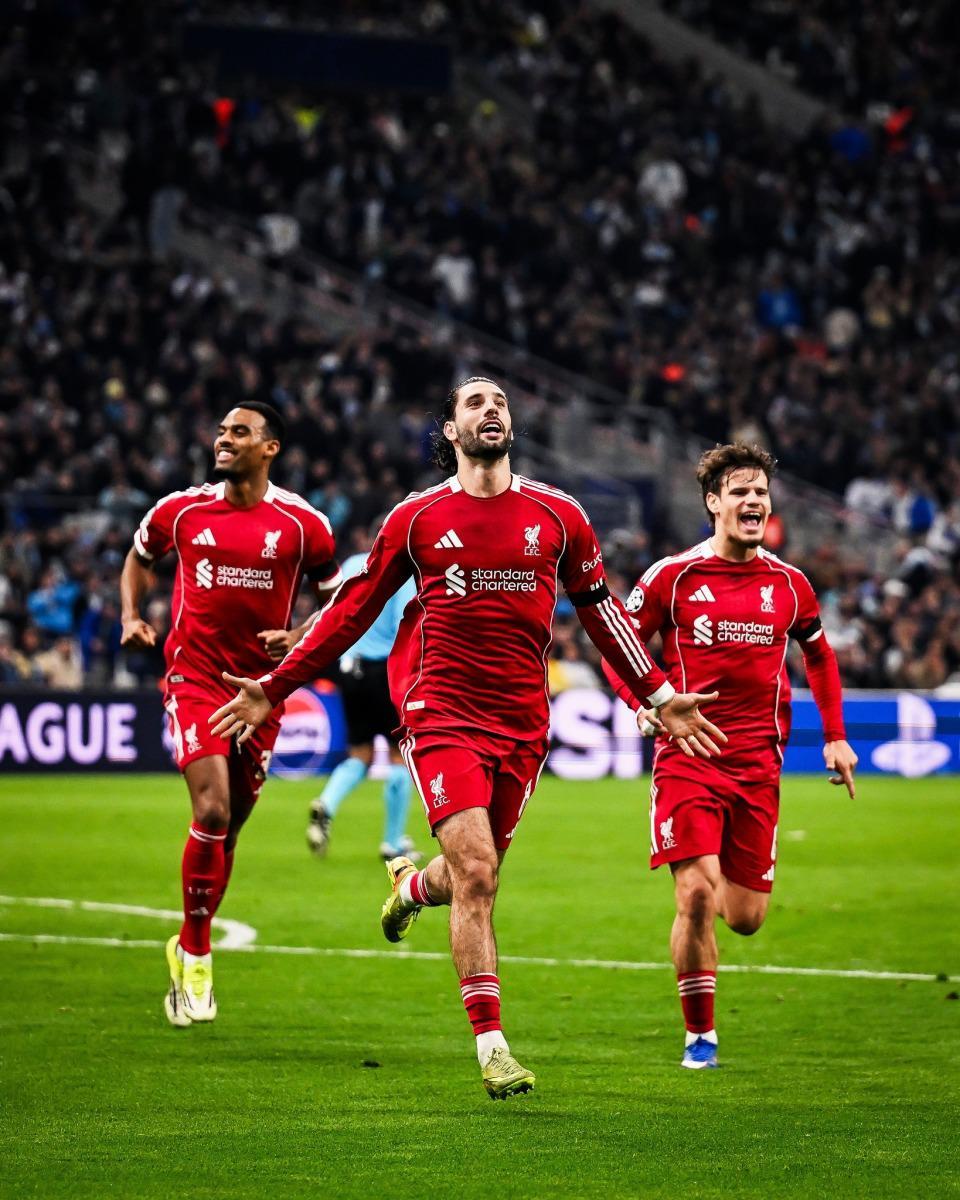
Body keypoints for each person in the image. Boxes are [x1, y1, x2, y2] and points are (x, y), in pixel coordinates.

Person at [209, 376, 725, 1098]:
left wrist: (659, 694)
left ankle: (413, 885)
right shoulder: (416, 518)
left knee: (467, 875)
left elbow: (601, 613)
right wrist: (276, 685)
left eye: (500, 402)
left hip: (523, 725)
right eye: (475, 403)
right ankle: (492, 1046)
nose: (492, 410)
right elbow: (352, 611)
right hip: (440, 713)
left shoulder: (560, 516)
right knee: (479, 874)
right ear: (451, 431)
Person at [603, 443, 858, 1070]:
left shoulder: (789, 584)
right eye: (740, 491)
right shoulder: (673, 577)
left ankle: (710, 902)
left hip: (758, 766)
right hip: (688, 756)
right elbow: (617, 647)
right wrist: (646, 705)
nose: (753, 501)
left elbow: (819, 655)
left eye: (760, 492)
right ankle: (701, 1036)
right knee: (694, 893)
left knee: (745, 917)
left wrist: (834, 734)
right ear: (713, 503)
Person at [120, 403, 341, 1027]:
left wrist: (299, 635)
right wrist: (130, 615)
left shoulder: (304, 525)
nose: (224, 439)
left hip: (262, 693)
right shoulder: (182, 510)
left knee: (230, 828)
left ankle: (189, 940)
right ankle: (196, 954)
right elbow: (138, 559)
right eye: (220, 431)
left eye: (239, 432)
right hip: (195, 679)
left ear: (270, 448)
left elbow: (337, 601)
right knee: (212, 810)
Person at [306, 522, 420, 862]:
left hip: (349, 670)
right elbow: (404, 624)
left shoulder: (352, 566)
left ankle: (327, 803)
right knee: (400, 755)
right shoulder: (401, 573)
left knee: (360, 753)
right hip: (384, 673)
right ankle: (392, 841)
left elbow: (331, 614)